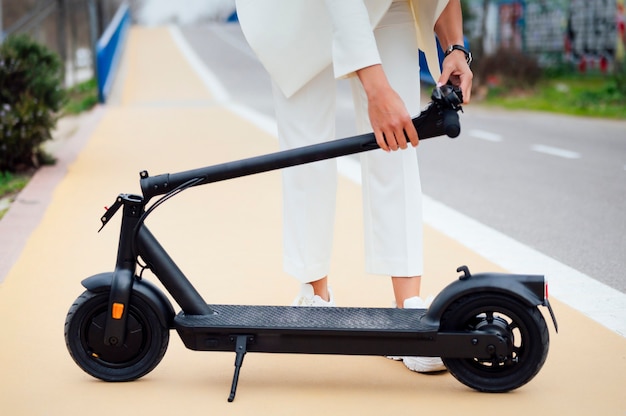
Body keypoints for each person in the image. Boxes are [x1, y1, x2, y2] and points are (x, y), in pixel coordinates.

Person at [236, 0, 473, 372]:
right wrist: (376, 90)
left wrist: (456, 47)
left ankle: (407, 313)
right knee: (307, 148)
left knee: (398, 140)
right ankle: (314, 294)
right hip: (297, 10)